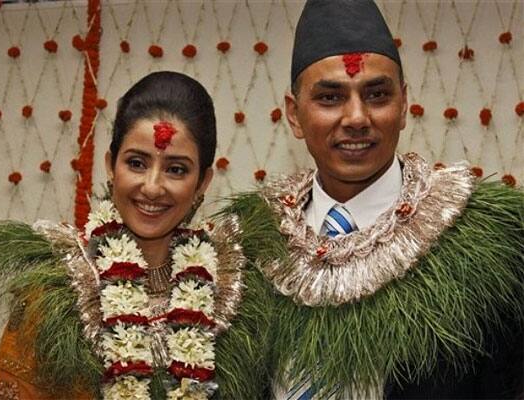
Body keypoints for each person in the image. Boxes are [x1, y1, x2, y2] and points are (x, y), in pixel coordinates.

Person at [214, 1, 523, 399]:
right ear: (293, 114)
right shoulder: (248, 242)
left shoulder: (486, 240)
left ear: (403, 104)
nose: (357, 117)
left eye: (377, 94)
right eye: (330, 98)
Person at [0, 71, 245, 399]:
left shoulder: (235, 293)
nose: (152, 187)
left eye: (176, 169)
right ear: (111, 165)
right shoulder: (51, 292)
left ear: (203, 182)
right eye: (137, 163)